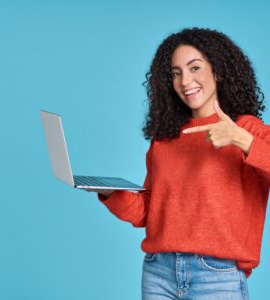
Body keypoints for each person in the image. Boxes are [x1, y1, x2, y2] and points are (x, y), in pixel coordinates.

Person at [91, 28, 270, 299]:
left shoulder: (247, 129)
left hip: (217, 276)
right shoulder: (165, 140)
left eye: (195, 68)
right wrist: (109, 193)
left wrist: (242, 140)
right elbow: (150, 213)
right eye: (176, 73)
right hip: (158, 272)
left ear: (218, 71)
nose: (185, 80)